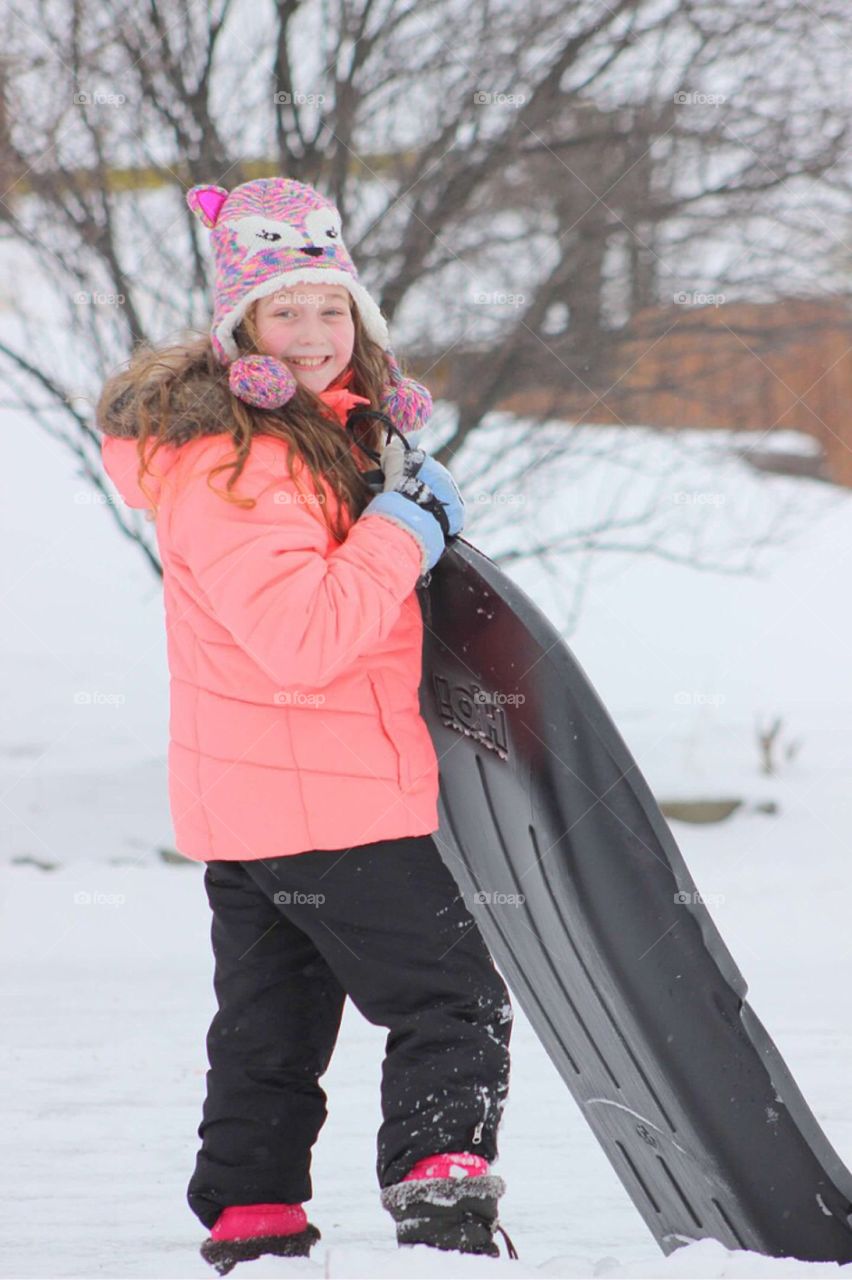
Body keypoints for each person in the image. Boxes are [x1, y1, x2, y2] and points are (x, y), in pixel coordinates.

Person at [96, 176, 515, 1275]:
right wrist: (404, 530)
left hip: (256, 806)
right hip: (330, 799)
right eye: (290, 310)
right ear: (245, 333)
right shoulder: (243, 463)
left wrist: (391, 508)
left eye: (336, 308)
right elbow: (302, 637)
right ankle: (442, 1214)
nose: (320, 333)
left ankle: (254, 1220)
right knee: (452, 998)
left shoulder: (299, 441)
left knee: (271, 1030)